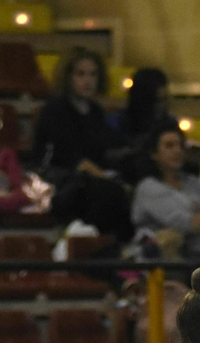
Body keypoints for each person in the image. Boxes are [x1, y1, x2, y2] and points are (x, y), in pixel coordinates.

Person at [32, 46, 132, 240]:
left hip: (86, 178)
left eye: (93, 75)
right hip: (56, 180)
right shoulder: (56, 110)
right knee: (108, 192)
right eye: (81, 74)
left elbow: (102, 151)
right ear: (68, 77)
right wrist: (109, 180)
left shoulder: (95, 112)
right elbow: (73, 160)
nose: (88, 81)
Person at [131, 124, 200, 260]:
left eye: (181, 146)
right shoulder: (148, 187)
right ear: (154, 153)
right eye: (169, 146)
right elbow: (185, 223)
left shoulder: (195, 183)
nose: (177, 151)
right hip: (163, 259)